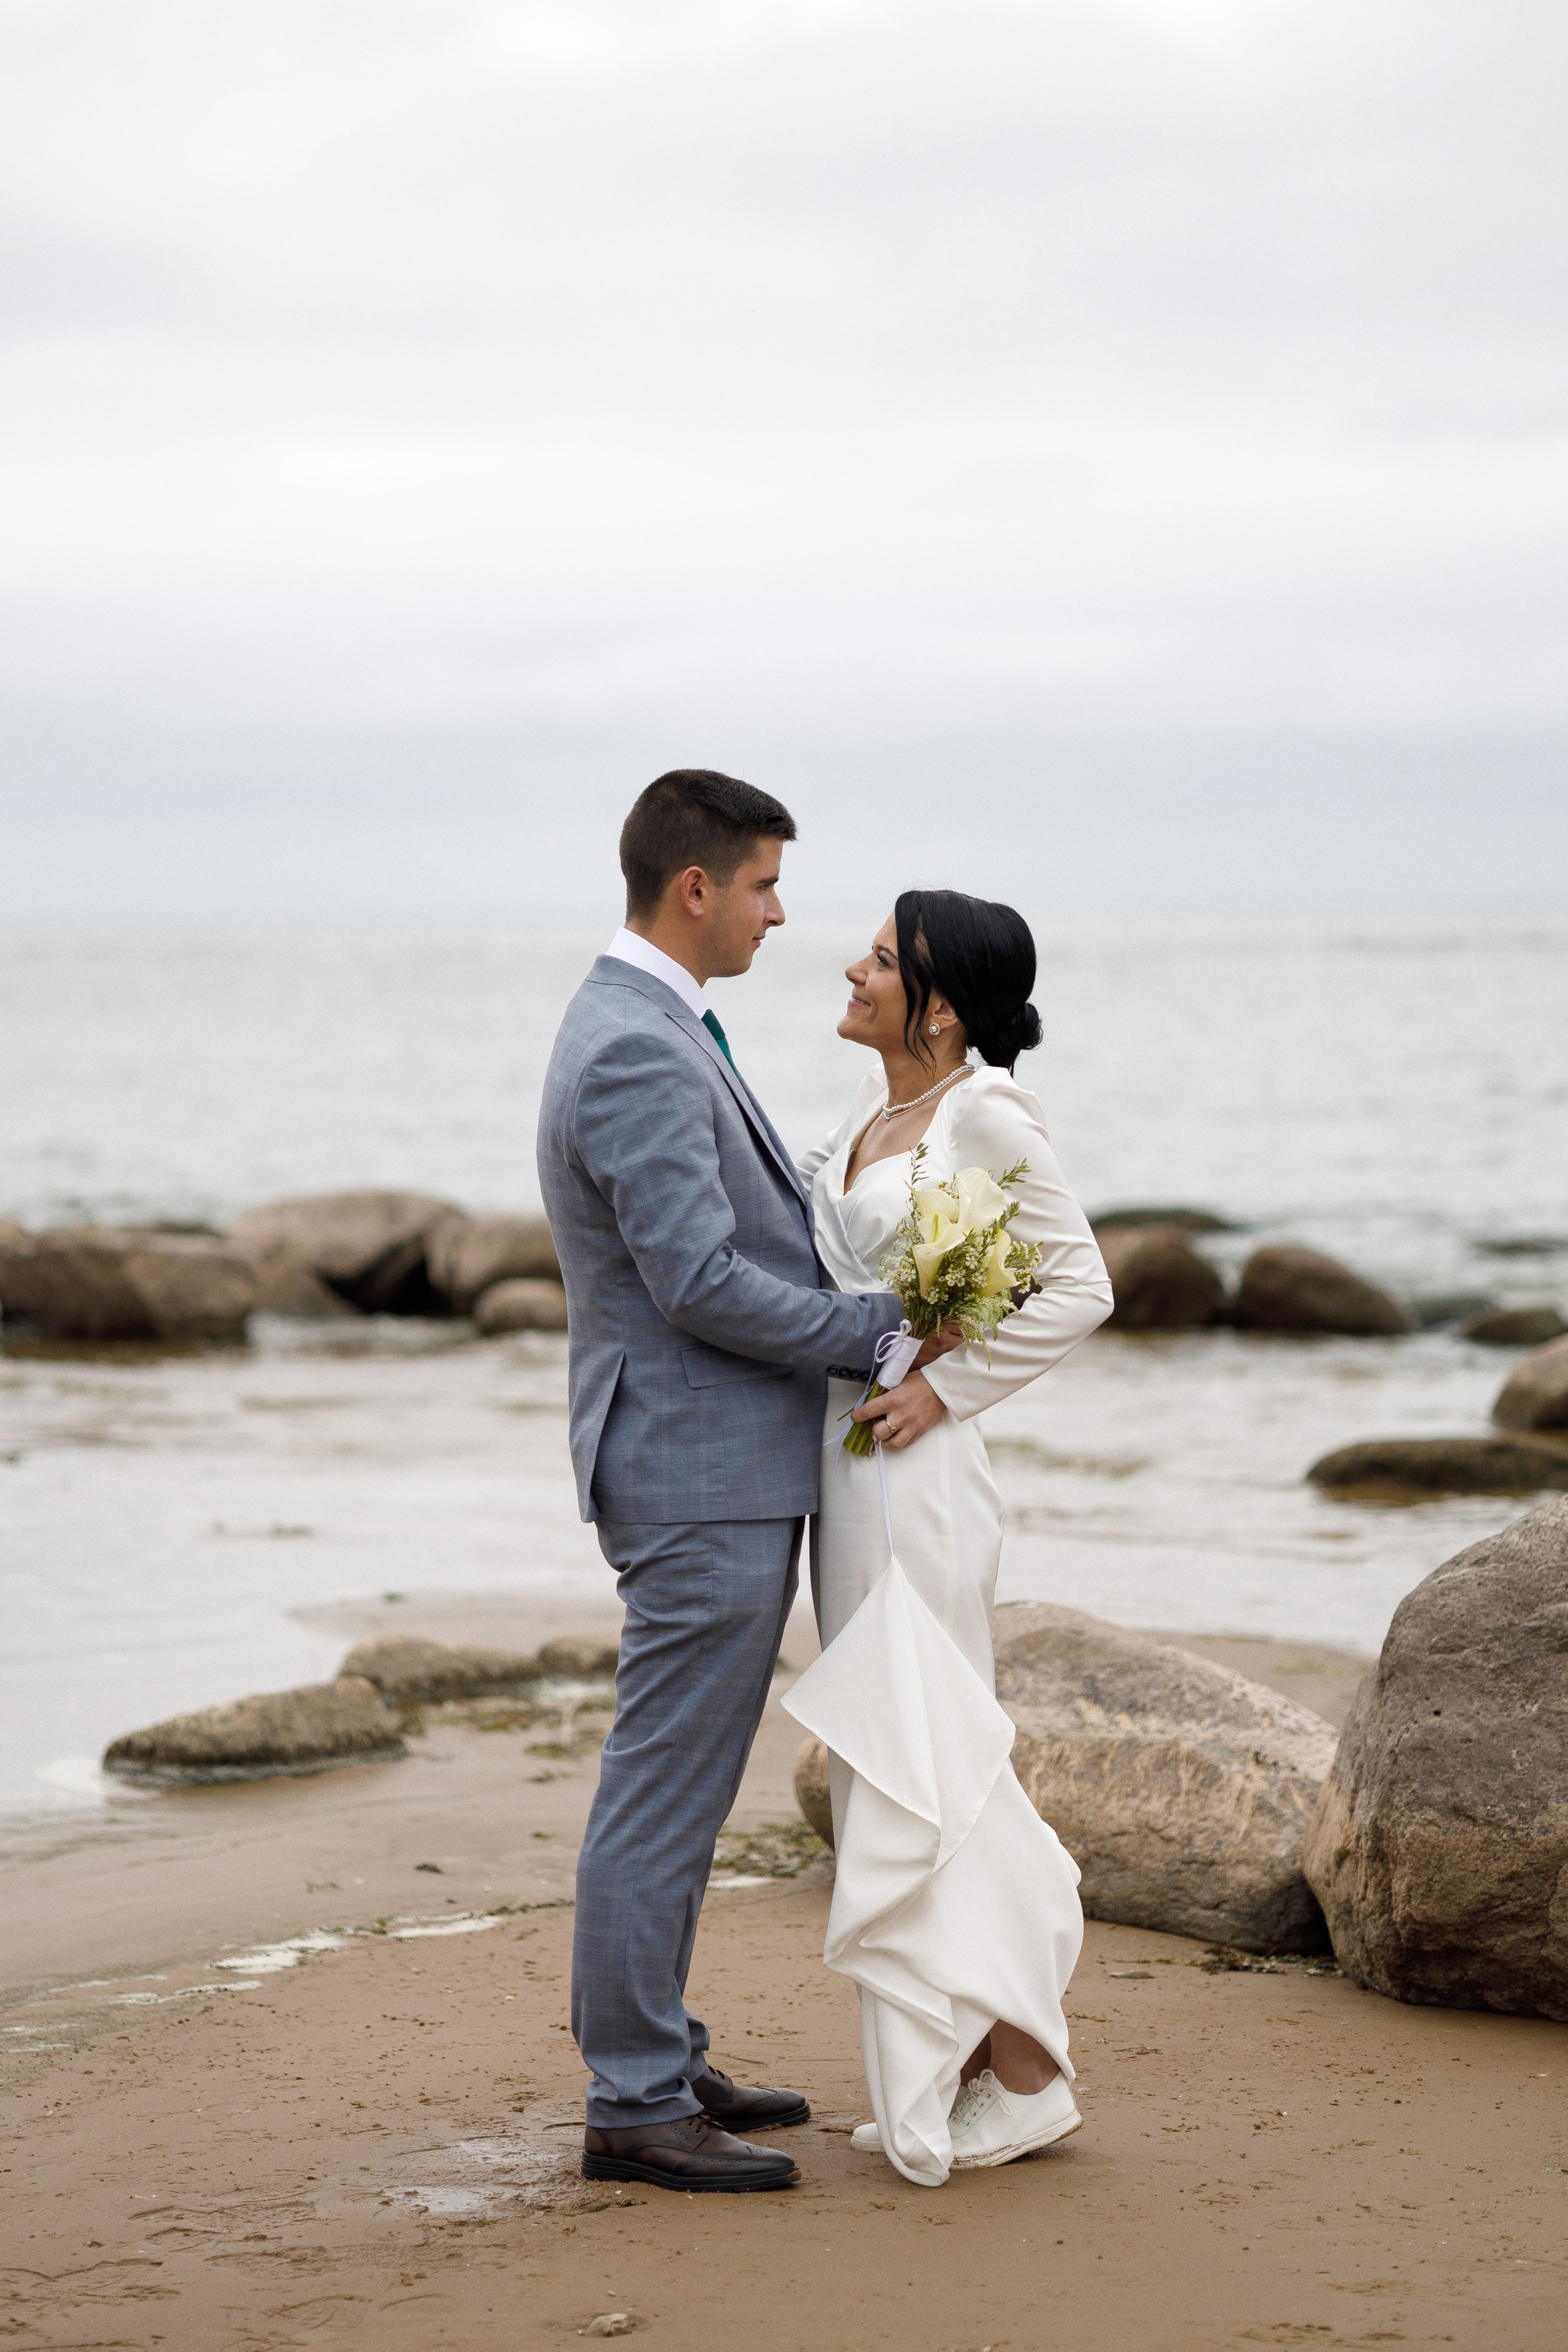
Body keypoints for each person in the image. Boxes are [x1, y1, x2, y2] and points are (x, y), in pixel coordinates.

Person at [537, 771, 959, 2195]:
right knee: (661, 1793)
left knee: (680, 1786)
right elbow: (698, 1281)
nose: (783, 913)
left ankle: (660, 2049)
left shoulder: (653, 1022)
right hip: (691, 1467)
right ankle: (635, 2103)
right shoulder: (636, 1047)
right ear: (694, 887)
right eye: (766, 884)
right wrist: (878, 1331)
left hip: (703, 1458)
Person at [783, 890, 1113, 2187]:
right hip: (850, 1470)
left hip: (915, 1478)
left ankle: (1026, 2074)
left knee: (933, 1758)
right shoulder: (870, 1119)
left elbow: (1076, 1282)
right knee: (892, 1755)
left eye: (880, 960)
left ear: (942, 1005)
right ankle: (952, 2058)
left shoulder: (980, 1113)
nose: (852, 971)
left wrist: (943, 1388)